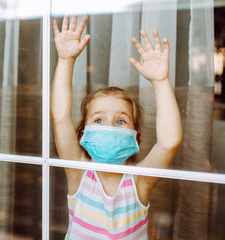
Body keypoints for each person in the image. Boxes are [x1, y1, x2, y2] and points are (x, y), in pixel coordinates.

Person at [51, 15, 182, 239]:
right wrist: (65, 60)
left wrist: (160, 81)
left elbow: (169, 142)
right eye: (98, 120)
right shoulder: (78, 171)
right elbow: (60, 116)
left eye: (121, 121)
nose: (109, 127)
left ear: (136, 139)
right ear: (83, 135)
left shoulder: (139, 181)